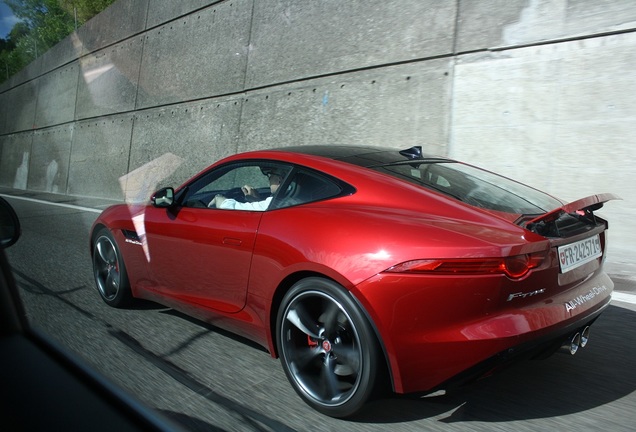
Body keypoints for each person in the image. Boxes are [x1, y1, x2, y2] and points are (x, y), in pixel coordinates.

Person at [208, 171, 281, 211]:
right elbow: (260, 209)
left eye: (270, 175)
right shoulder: (287, 199)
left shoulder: (277, 202)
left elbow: (230, 208)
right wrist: (255, 200)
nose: (269, 180)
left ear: (279, 180)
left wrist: (217, 198)